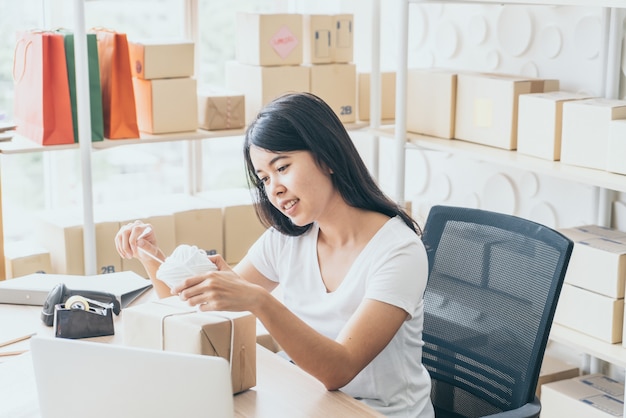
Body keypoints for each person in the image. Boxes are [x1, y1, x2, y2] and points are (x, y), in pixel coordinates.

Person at [114, 92, 434, 417]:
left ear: (327, 158)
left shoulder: (399, 251)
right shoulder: (286, 239)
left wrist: (259, 301)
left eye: (282, 167)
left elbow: (341, 368)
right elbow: (197, 310)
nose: (274, 189)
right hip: (309, 401)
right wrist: (151, 257)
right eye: (264, 178)